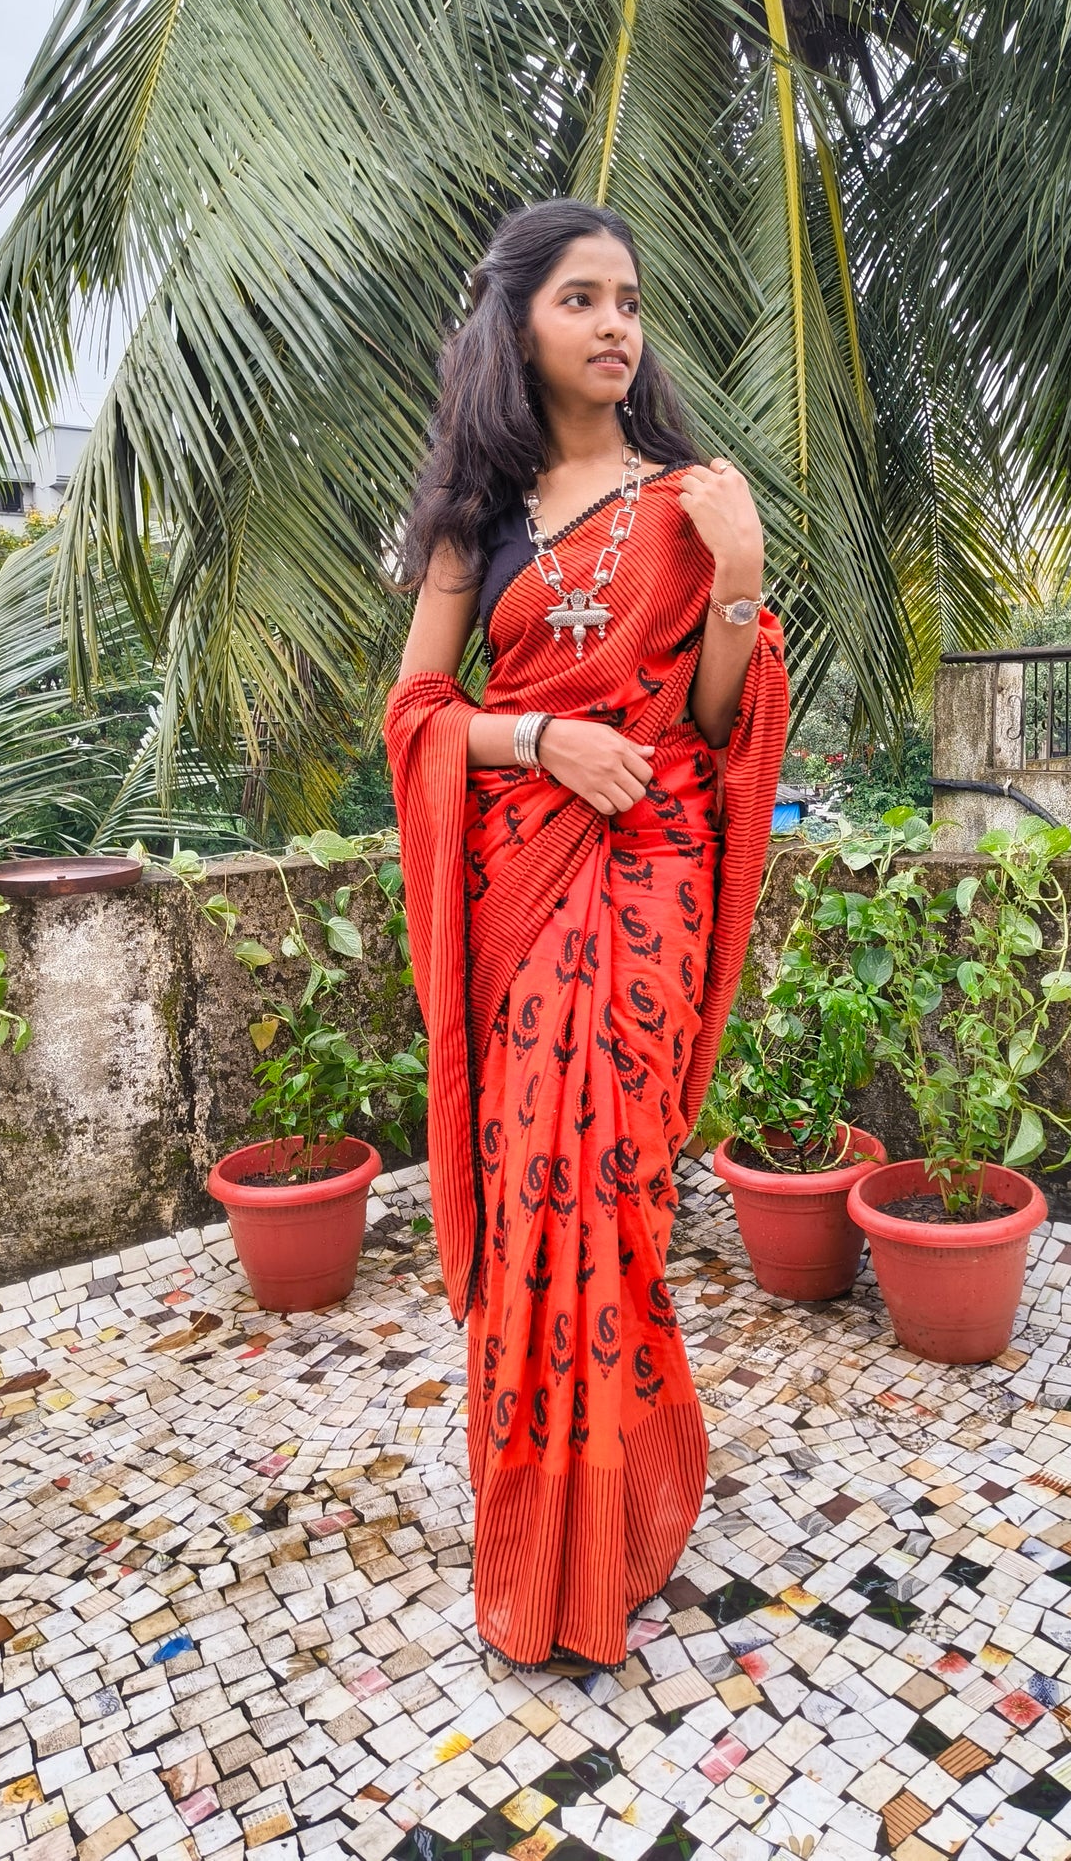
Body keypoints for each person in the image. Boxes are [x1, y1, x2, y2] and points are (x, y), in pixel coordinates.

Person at [384, 198, 788, 1675]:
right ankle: (534, 1529)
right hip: (522, 884)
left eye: (629, 299)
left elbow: (717, 730)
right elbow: (418, 717)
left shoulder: (691, 500)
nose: (617, 324)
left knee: (605, 1190)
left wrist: (737, 579)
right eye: (583, 299)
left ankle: (610, 1519)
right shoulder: (469, 526)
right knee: (526, 1190)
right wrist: (539, 738)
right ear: (517, 323)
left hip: (648, 881)